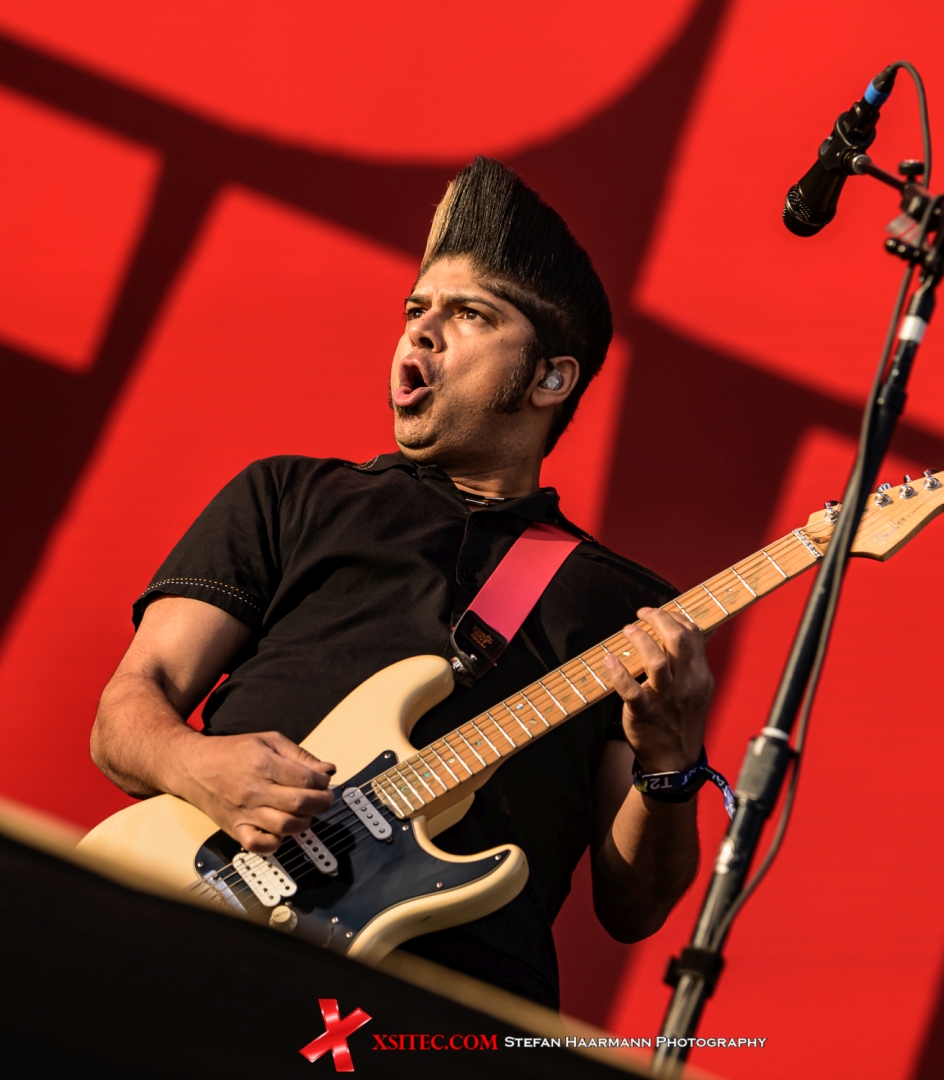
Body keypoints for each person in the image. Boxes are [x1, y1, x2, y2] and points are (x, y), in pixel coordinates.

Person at [89, 157, 716, 1010]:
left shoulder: (623, 608)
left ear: (551, 378)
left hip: (444, 1018)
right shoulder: (290, 494)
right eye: (416, 310)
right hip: (204, 929)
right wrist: (199, 765)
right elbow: (126, 715)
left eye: (469, 314)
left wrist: (672, 763)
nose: (421, 333)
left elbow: (635, 906)